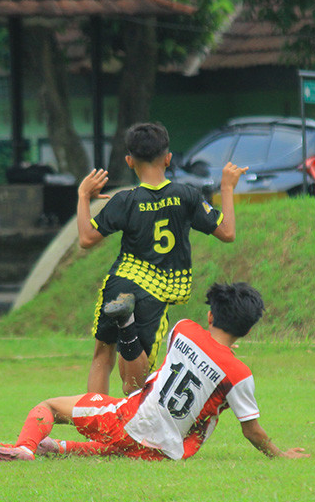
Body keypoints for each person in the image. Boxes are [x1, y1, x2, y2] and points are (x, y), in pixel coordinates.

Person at [0, 282, 309, 462]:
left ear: (211, 316)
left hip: (130, 421)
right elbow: (252, 431)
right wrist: (280, 455)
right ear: (248, 331)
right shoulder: (239, 373)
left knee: (48, 406)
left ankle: (24, 449)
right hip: (167, 453)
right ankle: (56, 448)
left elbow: (187, 361)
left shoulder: (185, 329)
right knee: (121, 448)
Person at [77, 121, 246, 395]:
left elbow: (86, 238)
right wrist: (227, 187)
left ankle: (93, 426)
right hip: (153, 293)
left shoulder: (125, 200)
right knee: (135, 384)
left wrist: (84, 196)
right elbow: (227, 232)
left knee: (102, 355)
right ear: (168, 158)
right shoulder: (186, 196)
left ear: (129, 161)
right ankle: (128, 329)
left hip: (121, 283)